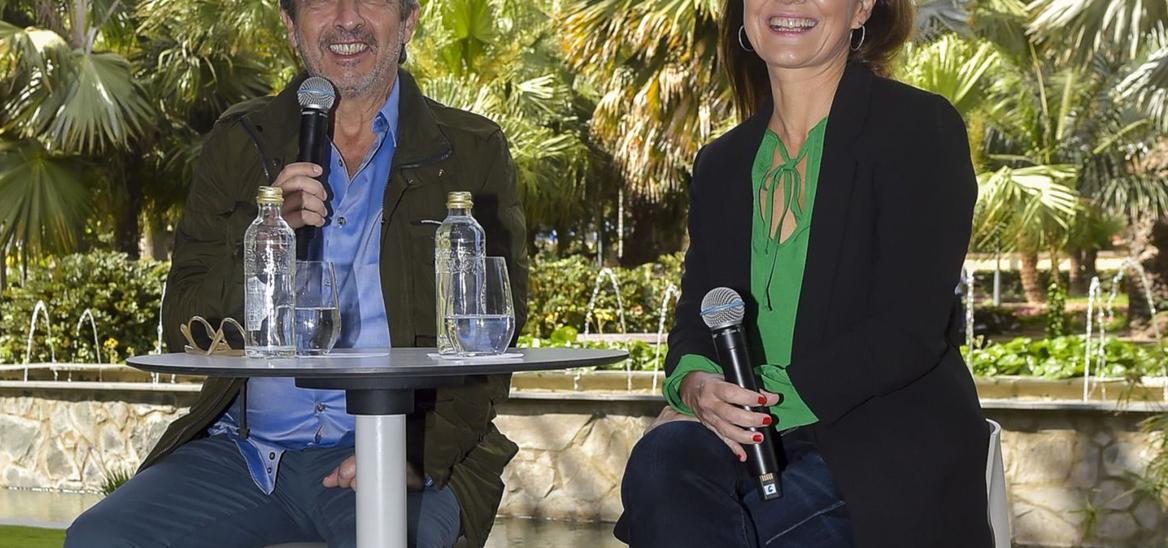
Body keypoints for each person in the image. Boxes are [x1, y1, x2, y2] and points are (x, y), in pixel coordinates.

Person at [65, 0, 528, 546]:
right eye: (320, 2)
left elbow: (494, 339)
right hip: (242, 454)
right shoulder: (240, 141)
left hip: (392, 446)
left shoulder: (471, 149)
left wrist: (417, 453)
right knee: (102, 538)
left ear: (408, 21)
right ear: (291, 27)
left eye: (371, 0)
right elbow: (182, 321)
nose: (346, 19)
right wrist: (267, 244)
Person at [614, 0, 991, 546]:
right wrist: (696, 386)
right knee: (660, 460)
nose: (788, 4)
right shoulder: (723, 163)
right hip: (743, 438)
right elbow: (700, 314)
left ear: (861, 9)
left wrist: (760, 401)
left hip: (878, 441)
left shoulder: (917, 127)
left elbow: (910, 326)